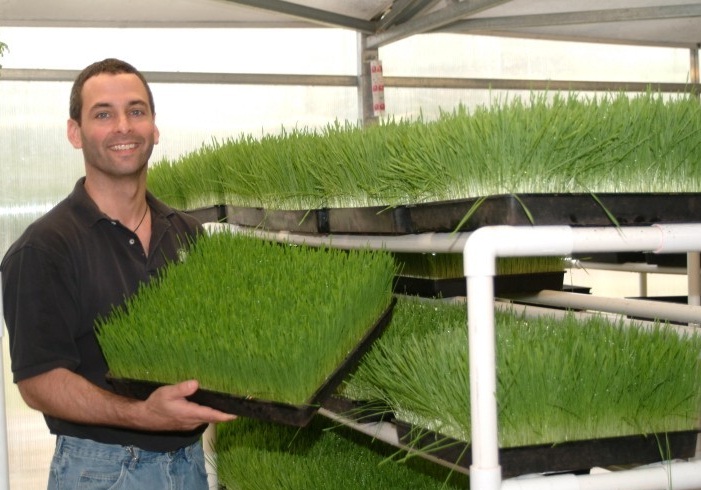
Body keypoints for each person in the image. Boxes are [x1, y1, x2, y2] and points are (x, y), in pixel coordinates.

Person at [1, 58, 235, 489]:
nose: (123, 126)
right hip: (101, 470)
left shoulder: (187, 233)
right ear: (75, 133)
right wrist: (140, 414)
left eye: (136, 110)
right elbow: (37, 381)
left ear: (155, 128)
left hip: (188, 465)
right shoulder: (44, 248)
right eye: (103, 114)